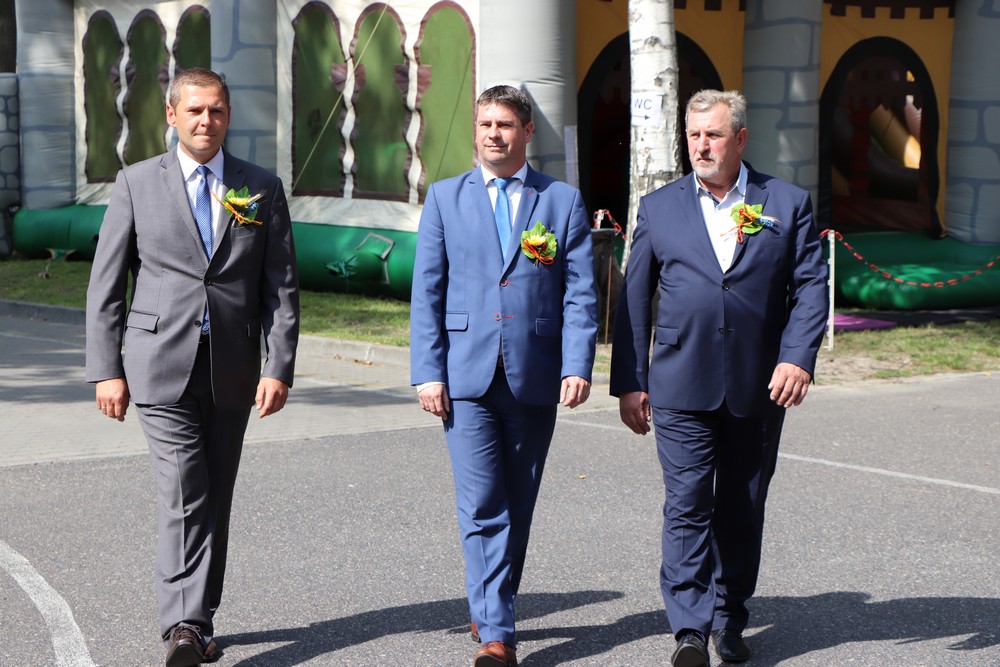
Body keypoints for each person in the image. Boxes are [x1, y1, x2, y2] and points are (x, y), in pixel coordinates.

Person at [85, 67, 299, 667]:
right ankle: (184, 624)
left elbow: (281, 285)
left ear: (228, 116)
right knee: (186, 486)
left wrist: (278, 365)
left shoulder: (260, 187)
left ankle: (200, 616)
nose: (207, 121)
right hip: (158, 362)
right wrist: (106, 369)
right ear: (172, 116)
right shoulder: (135, 183)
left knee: (215, 492)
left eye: (217, 111)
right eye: (196, 110)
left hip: (233, 364)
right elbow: (106, 285)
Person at [610, 89, 828, 667]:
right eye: (693, 135)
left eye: (713, 134)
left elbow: (810, 287)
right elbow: (634, 299)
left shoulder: (786, 202)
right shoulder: (659, 207)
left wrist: (797, 358)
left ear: (740, 139)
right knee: (686, 503)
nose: (701, 146)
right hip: (680, 381)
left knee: (742, 504)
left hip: (759, 383)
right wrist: (630, 381)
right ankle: (689, 628)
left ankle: (730, 617)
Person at [410, 84, 598, 667]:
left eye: (506, 124)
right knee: (482, 503)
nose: (494, 133)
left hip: (534, 373)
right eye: (485, 123)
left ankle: (491, 601)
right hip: (465, 376)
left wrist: (577, 363)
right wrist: (428, 372)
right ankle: (497, 632)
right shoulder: (445, 198)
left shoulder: (561, 201)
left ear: (527, 132)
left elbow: (580, 293)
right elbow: (427, 291)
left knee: (518, 502)